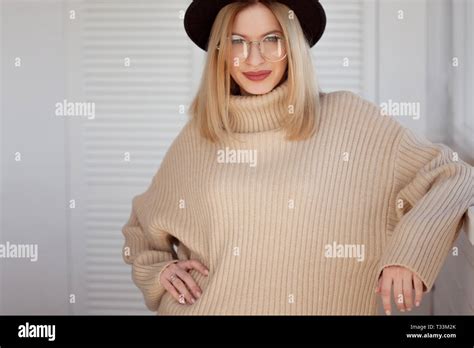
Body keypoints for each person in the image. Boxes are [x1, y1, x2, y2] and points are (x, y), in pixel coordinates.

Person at [122, 0, 473, 315]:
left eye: (271, 40)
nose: (254, 58)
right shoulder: (202, 134)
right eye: (236, 41)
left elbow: (454, 176)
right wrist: (159, 270)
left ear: (293, 47)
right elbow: (142, 227)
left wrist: (409, 252)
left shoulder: (350, 118)